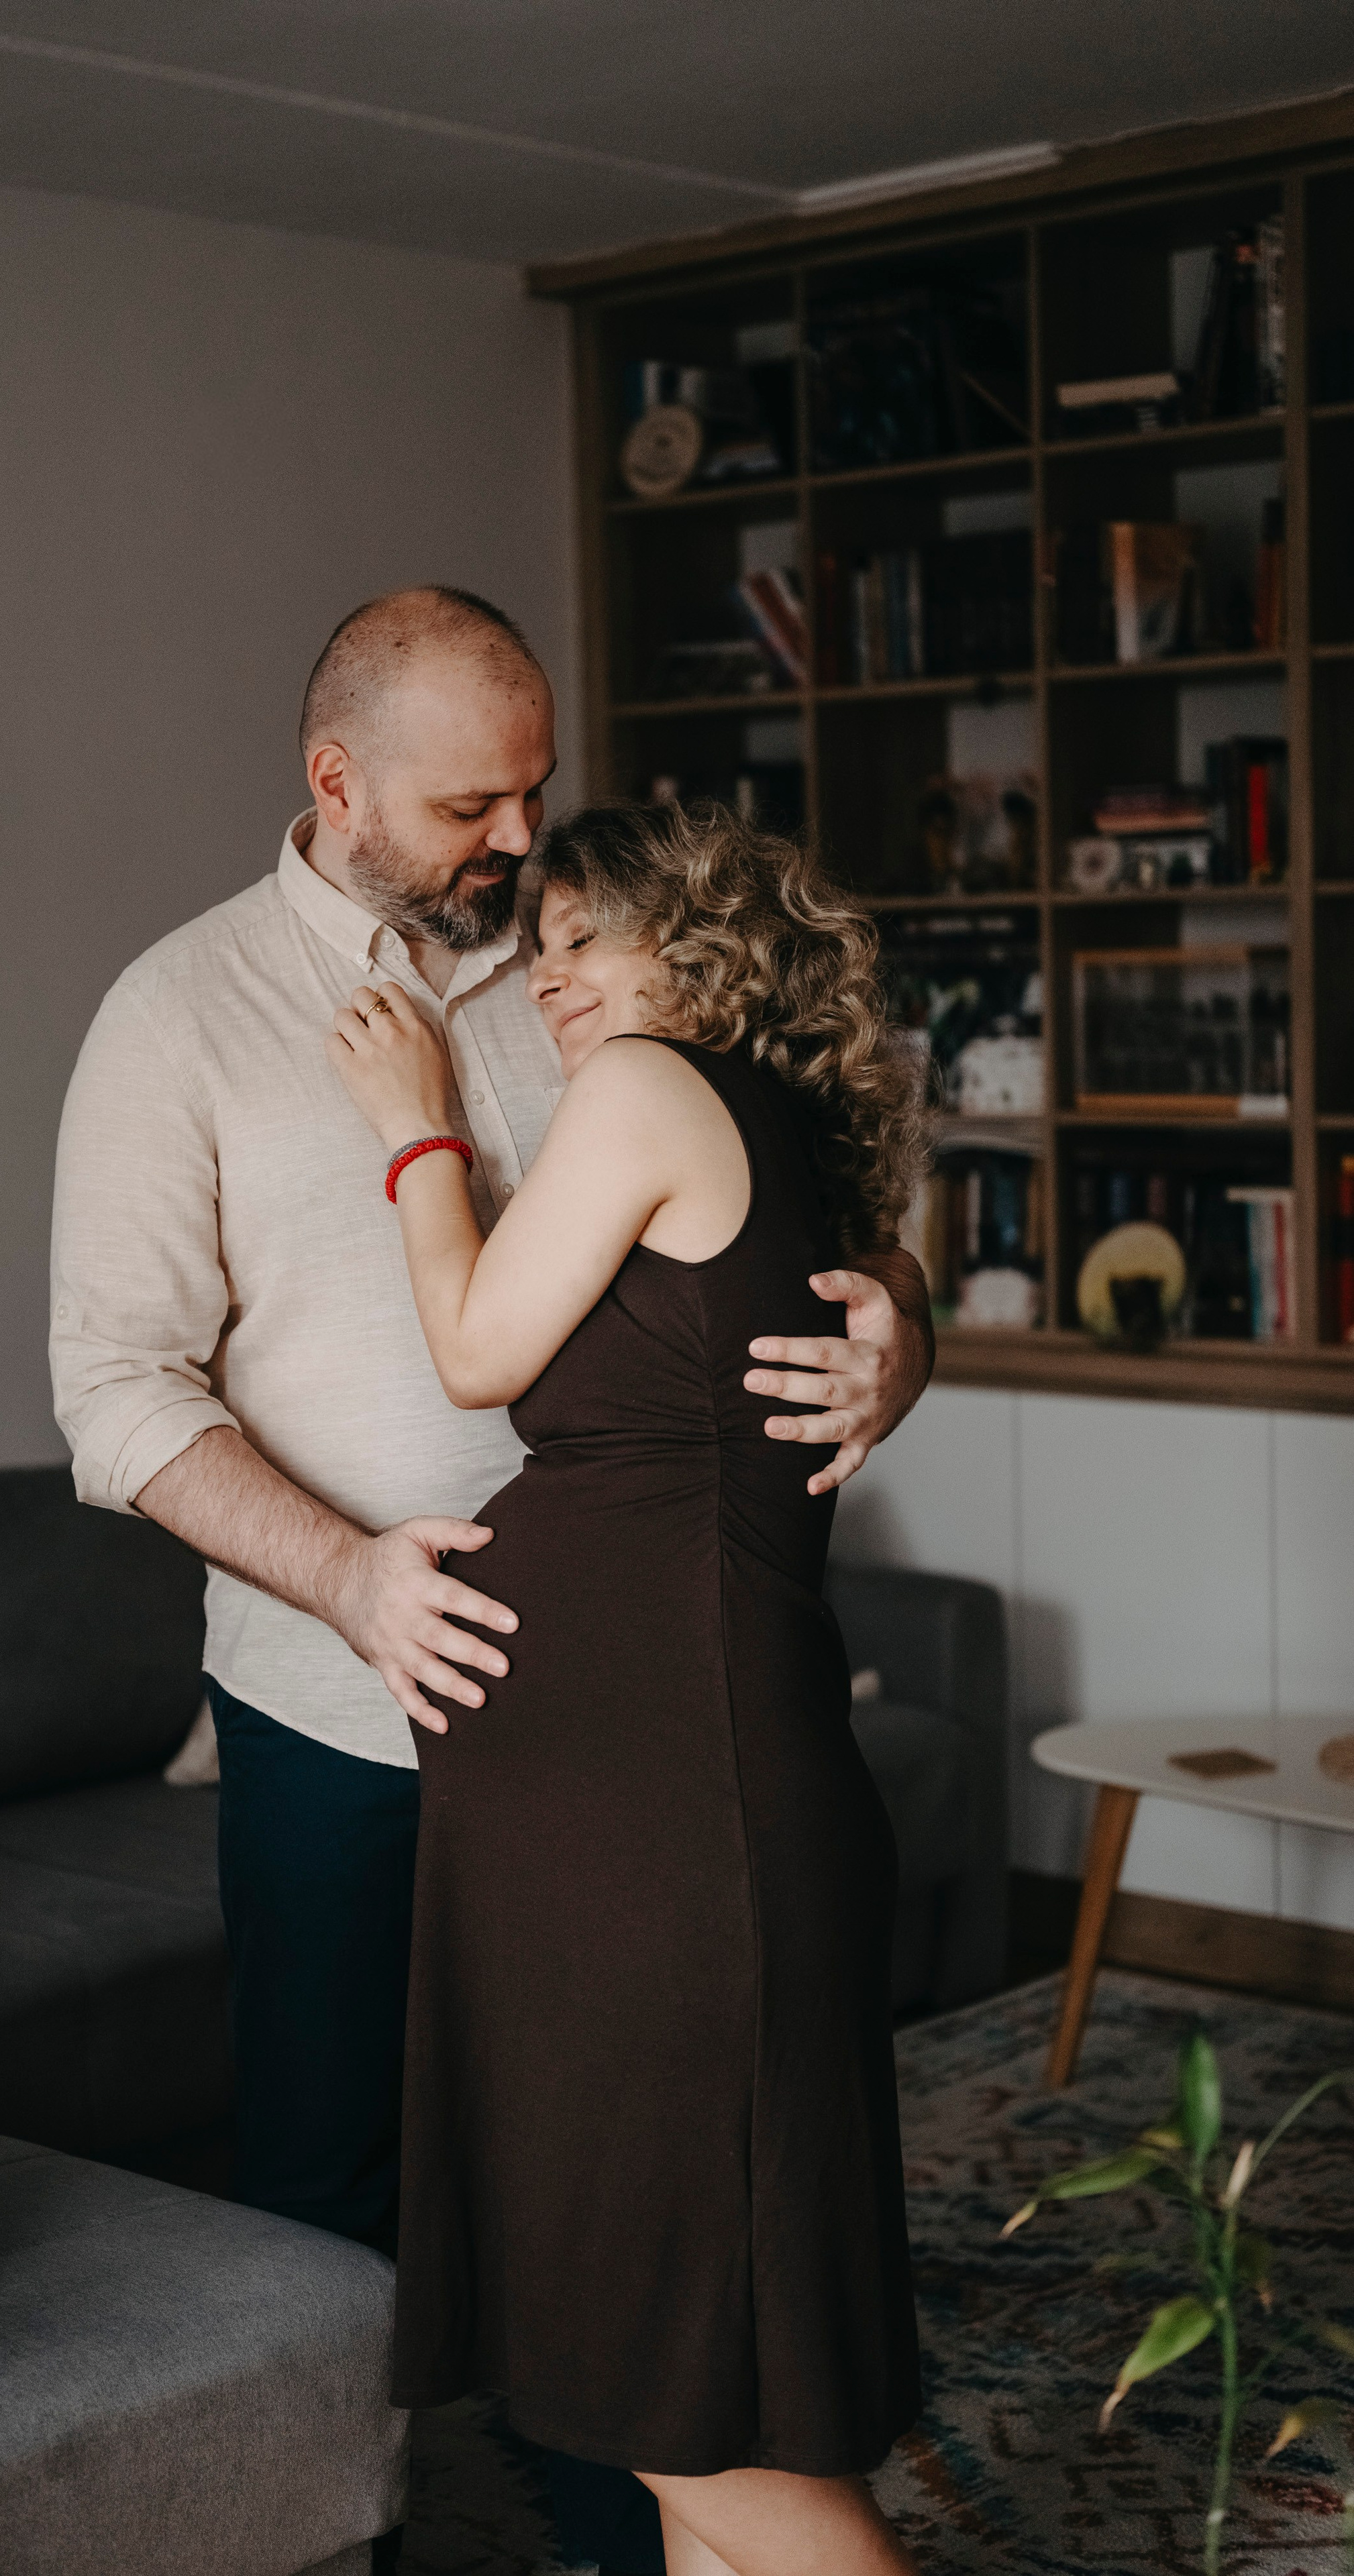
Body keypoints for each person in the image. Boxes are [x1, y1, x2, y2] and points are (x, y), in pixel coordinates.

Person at [48, 586, 933, 2570]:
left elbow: (806, 1231)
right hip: (346, 1712)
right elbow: (110, 1392)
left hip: (628, 1746)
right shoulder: (178, 1017)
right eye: (474, 805)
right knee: (332, 2223)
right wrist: (352, 1577)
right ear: (335, 781)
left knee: (623, 2266)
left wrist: (899, 1328)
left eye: (537, 796)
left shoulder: (604, 992)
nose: (522, 843)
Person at [325, 795, 925, 2576]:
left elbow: (474, 1347)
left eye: (591, 938)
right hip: (650, 1821)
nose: (548, 981)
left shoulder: (657, 1093)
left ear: (707, 935)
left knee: (692, 2416)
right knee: (681, 2395)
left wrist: (415, 1133)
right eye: (546, 946)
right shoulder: (777, 1130)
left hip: (671, 1837)